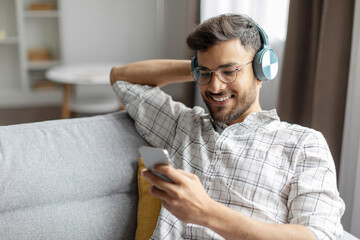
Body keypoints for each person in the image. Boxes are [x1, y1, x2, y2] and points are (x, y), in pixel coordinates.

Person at [110, 14, 344, 240]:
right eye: (205, 74)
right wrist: (201, 67)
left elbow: (319, 235)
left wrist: (207, 213)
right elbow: (121, 77)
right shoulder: (183, 125)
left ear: (262, 69)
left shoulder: (303, 144)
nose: (214, 86)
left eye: (229, 71)